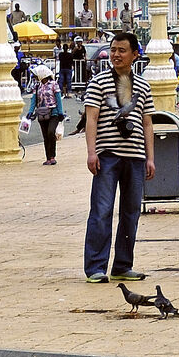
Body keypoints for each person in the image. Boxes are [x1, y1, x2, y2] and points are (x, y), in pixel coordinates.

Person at [81, 30, 155, 284]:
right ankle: (95, 267)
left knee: (131, 211)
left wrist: (150, 158)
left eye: (122, 50)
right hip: (107, 155)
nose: (116, 55)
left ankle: (123, 265)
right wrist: (92, 152)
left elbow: (147, 123)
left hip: (135, 156)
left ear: (135, 55)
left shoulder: (143, 85)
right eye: (113, 50)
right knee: (102, 210)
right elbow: (91, 118)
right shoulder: (99, 82)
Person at [30, 66, 66, 164]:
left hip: (53, 113)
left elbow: (58, 99)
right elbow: (33, 99)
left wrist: (60, 112)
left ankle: (52, 156)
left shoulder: (54, 84)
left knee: (51, 132)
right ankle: (48, 158)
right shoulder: (37, 86)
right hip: (41, 114)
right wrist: (30, 111)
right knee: (45, 136)